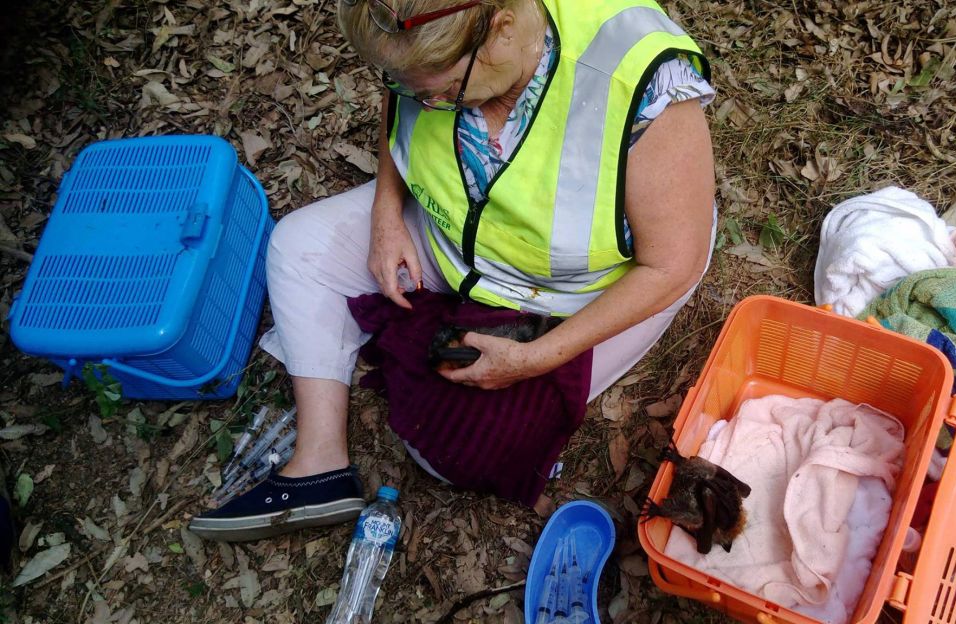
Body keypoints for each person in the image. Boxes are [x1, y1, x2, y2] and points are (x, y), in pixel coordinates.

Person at [189, 0, 716, 542]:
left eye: (437, 88)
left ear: (501, 28)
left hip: (571, 291)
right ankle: (319, 461)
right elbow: (405, 98)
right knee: (297, 247)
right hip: (454, 241)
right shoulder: (428, 54)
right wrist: (386, 214)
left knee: (451, 450)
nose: (424, 102)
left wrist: (534, 359)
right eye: (404, 85)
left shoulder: (643, 80)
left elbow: (672, 264)